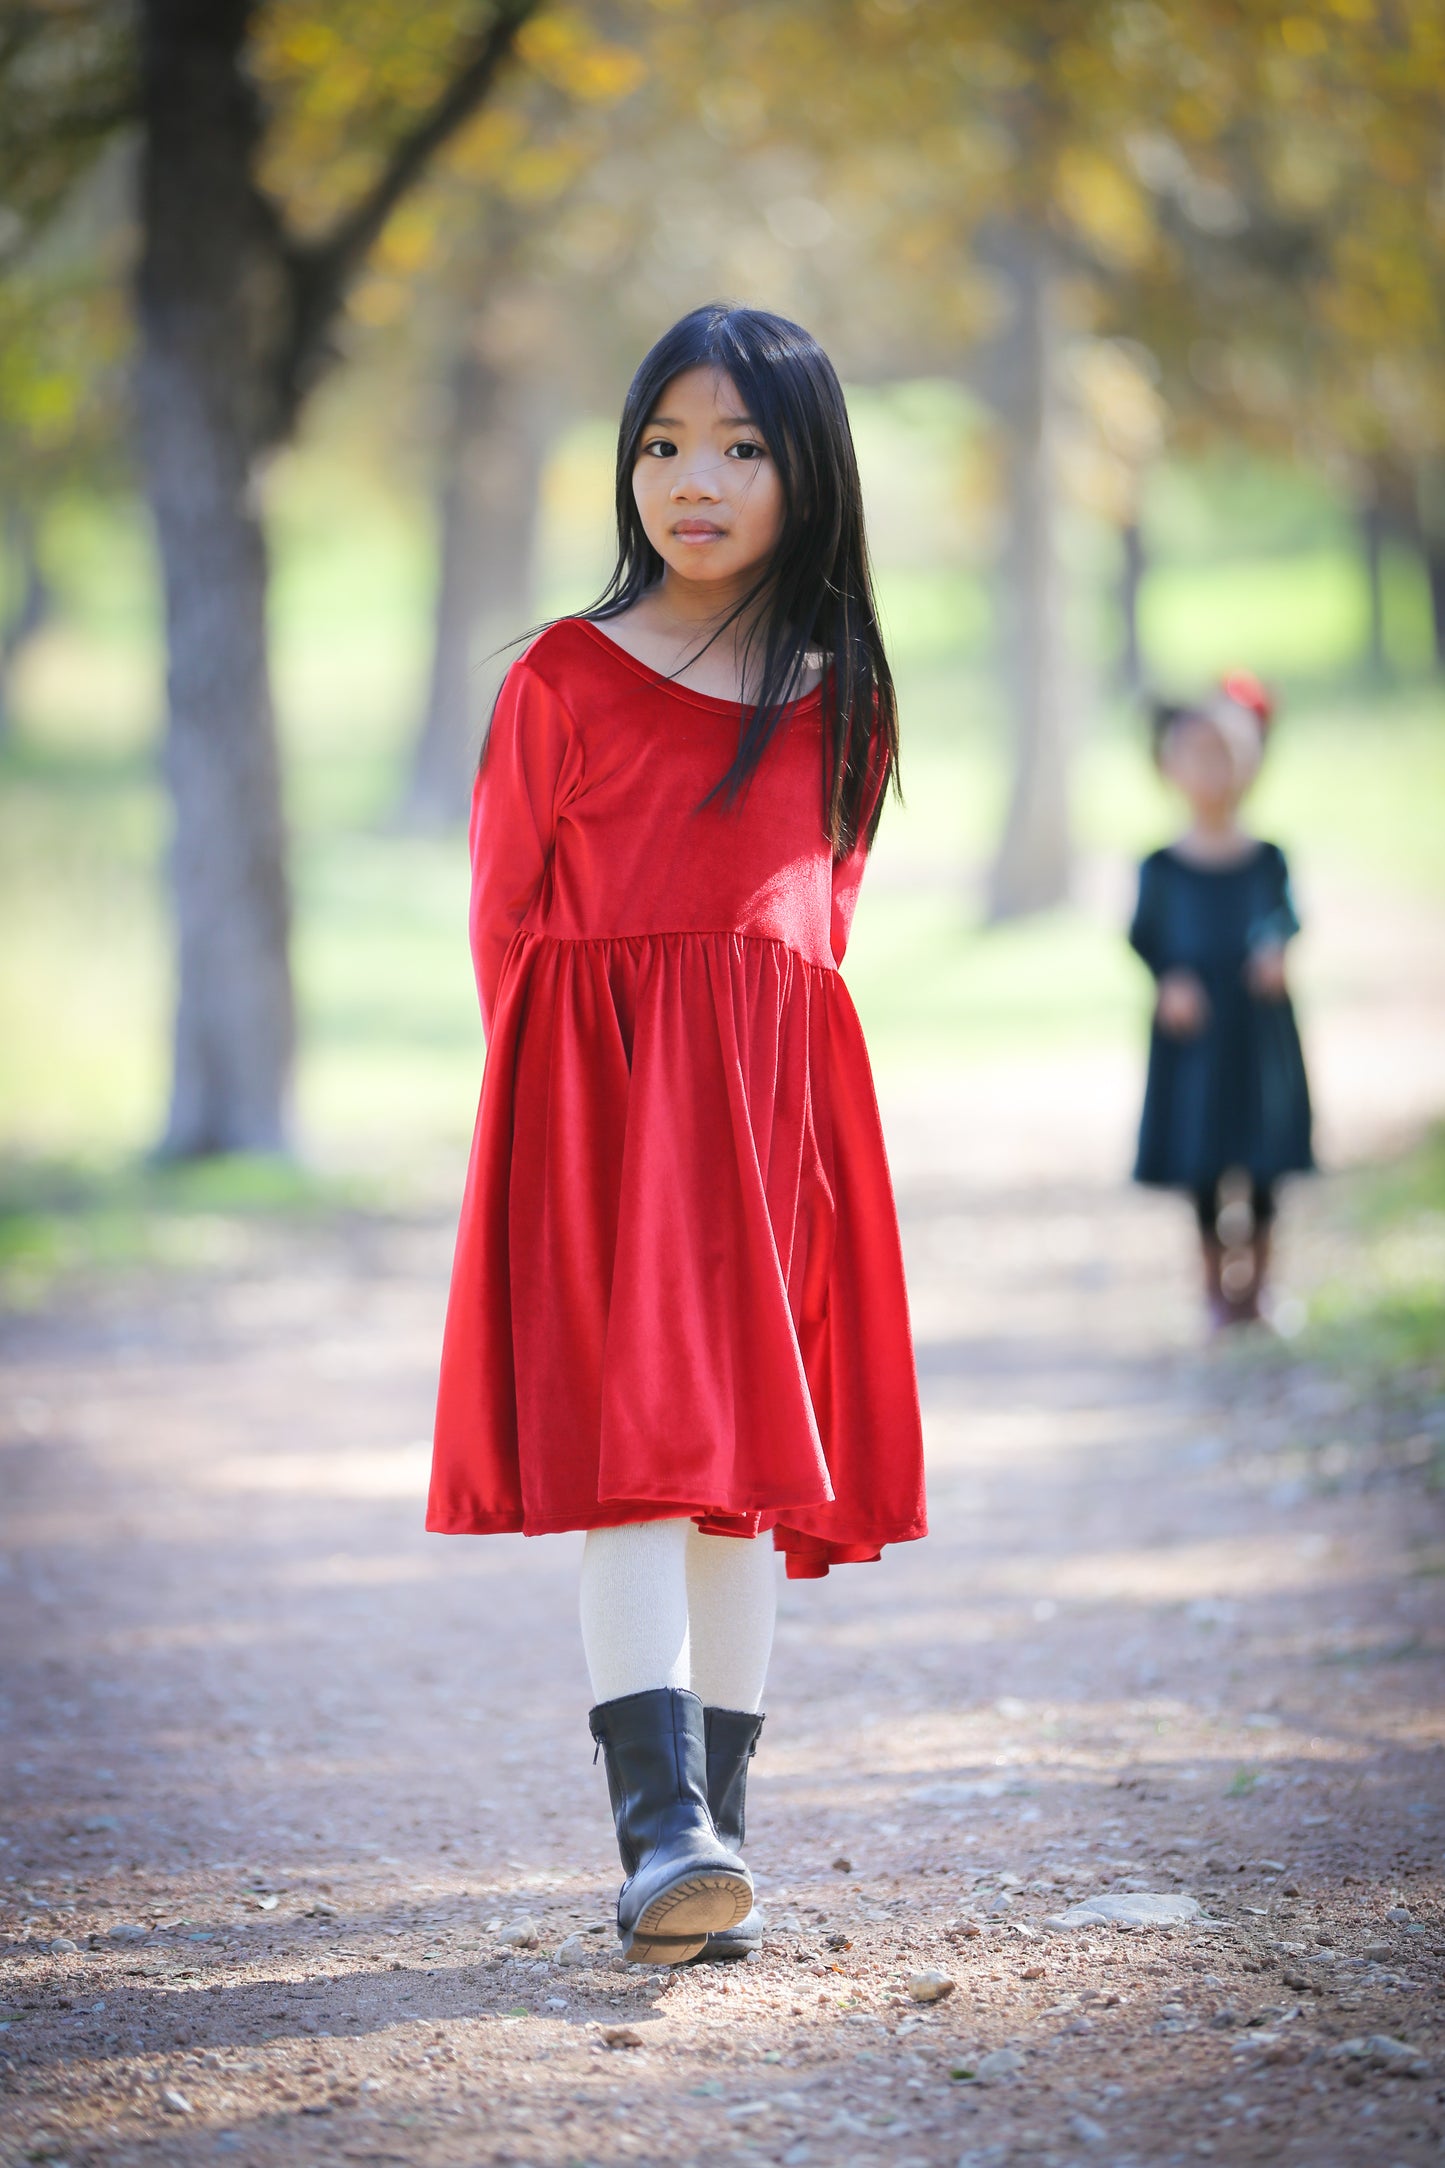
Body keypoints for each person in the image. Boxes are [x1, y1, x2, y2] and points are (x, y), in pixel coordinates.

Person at [427, 304, 926, 1967]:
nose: (692, 480)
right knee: (636, 1463)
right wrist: (561, 1139)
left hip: (771, 1131)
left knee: (743, 1487)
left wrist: (774, 1123)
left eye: (739, 447)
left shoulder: (836, 690)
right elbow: (506, 924)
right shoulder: (561, 677)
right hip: (602, 1119)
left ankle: (715, 1833)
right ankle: (656, 1827)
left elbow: (820, 927)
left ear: (809, 473)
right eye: (661, 444)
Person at [1129, 672, 1314, 1332]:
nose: (1215, 770)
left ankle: (1259, 1288)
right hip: (1196, 1036)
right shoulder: (1161, 866)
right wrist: (1168, 979)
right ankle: (1213, 1289)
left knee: (1263, 1160)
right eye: (1199, 755)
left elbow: (1285, 917)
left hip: (1256, 1030)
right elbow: (1144, 936)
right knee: (1203, 1158)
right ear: (1169, 769)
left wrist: (1274, 948)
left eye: (1228, 754)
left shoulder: (1268, 859)